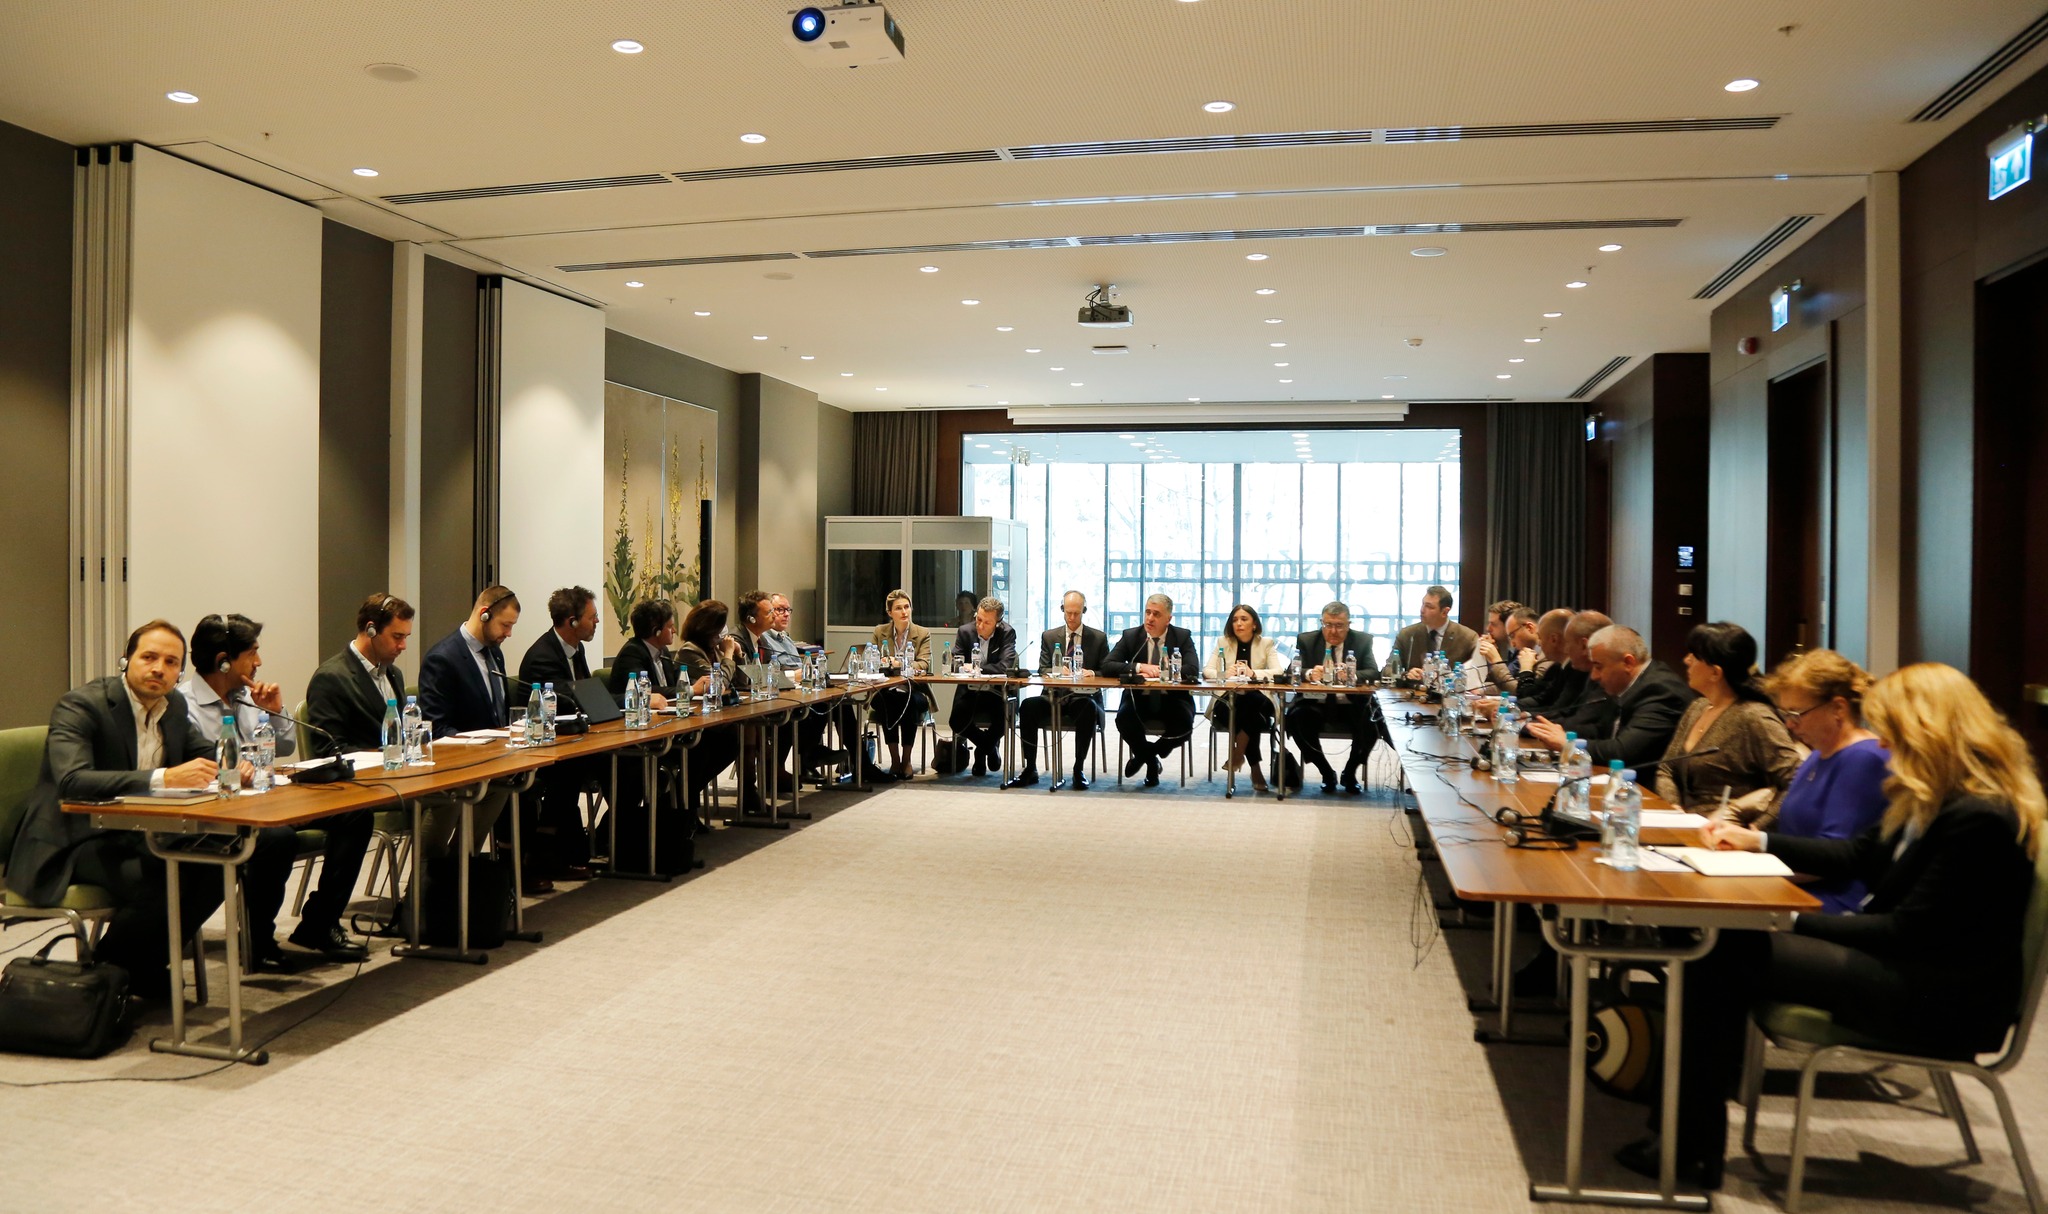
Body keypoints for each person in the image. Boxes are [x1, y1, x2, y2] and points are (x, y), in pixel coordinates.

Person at [1645, 664, 2046, 1190]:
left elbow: (1907, 932)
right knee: (1719, 945)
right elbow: (1857, 854)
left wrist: (1787, 919)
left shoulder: (1981, 817)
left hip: (1941, 997)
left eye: (1892, 732)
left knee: (1721, 951)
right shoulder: (1935, 796)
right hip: (1906, 966)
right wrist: (1758, 841)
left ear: (1929, 732)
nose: (1884, 745)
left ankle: (1688, 1142)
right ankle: (1685, 1134)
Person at [6, 620, 289, 1000]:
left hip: (136, 832)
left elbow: (205, 753)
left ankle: (131, 967)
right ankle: (112, 974)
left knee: (217, 863)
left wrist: (236, 765)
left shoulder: (173, 707)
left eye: (171, 662)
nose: (159, 669)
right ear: (126, 660)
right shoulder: (82, 705)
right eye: (149, 657)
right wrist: (163, 777)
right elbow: (73, 781)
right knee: (161, 874)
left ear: (180, 672)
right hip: (73, 838)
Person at [185, 613, 370, 966]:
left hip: (265, 801)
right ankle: (258, 942)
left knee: (354, 814)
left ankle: (319, 923)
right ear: (223, 661)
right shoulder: (184, 706)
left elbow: (283, 747)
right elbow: (194, 769)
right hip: (218, 813)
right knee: (277, 838)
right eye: (251, 653)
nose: (259, 662)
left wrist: (274, 711)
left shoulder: (246, 696)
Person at [1762, 648, 1892, 914]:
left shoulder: (1864, 759)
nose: (1789, 725)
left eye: (1797, 713)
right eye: (1785, 714)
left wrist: (1752, 873)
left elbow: (1833, 857)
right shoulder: (1817, 755)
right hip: (1795, 885)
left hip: (1833, 899)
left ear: (1838, 708)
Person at [1651, 621, 1801, 824]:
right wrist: (1673, 807)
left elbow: (1797, 781)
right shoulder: (1698, 707)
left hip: (1726, 833)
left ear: (1716, 672)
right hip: (1686, 825)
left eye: (1694, 656)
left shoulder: (1754, 717)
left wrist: (1756, 829)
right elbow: (1666, 769)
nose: (1686, 660)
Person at [414, 585, 518, 866]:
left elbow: (497, 713)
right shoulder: (443, 658)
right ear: (484, 614)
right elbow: (435, 727)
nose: (509, 633)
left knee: (507, 785)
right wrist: (480, 746)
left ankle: (460, 867)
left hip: (490, 764)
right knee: (457, 797)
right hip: (451, 767)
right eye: (505, 625)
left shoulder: (495, 654)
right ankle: (428, 874)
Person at [1524, 624, 1693, 777]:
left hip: (1643, 787)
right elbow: (1599, 729)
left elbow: (1623, 751)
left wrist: (1569, 744)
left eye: (1598, 666)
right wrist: (1554, 732)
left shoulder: (1660, 691)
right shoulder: (1628, 684)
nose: (1594, 676)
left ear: (1628, 662)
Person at [515, 586, 601, 881]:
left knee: (623, 762)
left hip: (568, 739)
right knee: (572, 770)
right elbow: (576, 697)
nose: (597, 622)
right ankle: (548, 846)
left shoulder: (576, 650)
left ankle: (612, 840)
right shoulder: (543, 656)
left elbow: (586, 695)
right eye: (592, 617)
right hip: (539, 749)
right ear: (572, 621)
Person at [1006, 590, 1110, 790]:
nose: (1072, 617)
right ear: (1062, 610)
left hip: (1082, 697)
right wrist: (1056, 670)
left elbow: (1107, 670)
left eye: (1076, 613)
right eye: (1068, 612)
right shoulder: (1049, 636)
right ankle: (1030, 767)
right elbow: (1043, 668)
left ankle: (1078, 769)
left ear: (1084, 611)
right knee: (1027, 706)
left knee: (1087, 708)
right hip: (1053, 697)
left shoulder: (1098, 638)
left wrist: (1092, 673)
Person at [1101, 594, 1201, 787]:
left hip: (1173, 701)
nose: (1150, 618)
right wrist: (1140, 667)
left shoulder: (1182, 636)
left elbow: (1192, 669)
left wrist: (1165, 670)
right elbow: (1107, 665)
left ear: (1168, 619)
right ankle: (1151, 762)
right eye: (1147, 612)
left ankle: (1145, 755)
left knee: (1184, 725)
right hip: (1138, 699)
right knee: (1124, 720)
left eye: (1156, 614)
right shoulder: (1131, 636)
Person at [1282, 601, 1381, 794]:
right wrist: (1309, 673)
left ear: (1348, 625)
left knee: (1373, 720)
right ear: (1322, 623)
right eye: (1328, 625)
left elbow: (1373, 672)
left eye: (1339, 626)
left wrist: (1351, 674)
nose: (1333, 631)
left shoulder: (1362, 641)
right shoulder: (1307, 640)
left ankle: (1350, 772)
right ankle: (1326, 772)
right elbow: (1291, 671)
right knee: (1296, 718)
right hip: (1315, 704)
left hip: (1351, 704)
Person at [1203, 603, 1286, 792]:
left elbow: (1278, 671)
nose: (1238, 623)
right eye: (1235, 620)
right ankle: (1254, 769)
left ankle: (1238, 754)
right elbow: (1207, 671)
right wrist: (1224, 674)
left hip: (1259, 699)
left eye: (1244, 619)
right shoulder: (1223, 642)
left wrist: (1253, 673)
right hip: (1229, 700)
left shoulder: (1266, 643)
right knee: (1249, 715)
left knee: (1250, 704)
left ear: (1254, 624)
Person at [675, 600, 745, 819]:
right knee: (713, 746)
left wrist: (738, 655)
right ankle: (684, 804)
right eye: (720, 626)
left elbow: (744, 682)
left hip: (713, 716)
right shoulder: (690, 651)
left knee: (732, 739)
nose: (724, 632)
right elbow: (718, 684)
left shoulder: (714, 649)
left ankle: (688, 800)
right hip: (691, 721)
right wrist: (728, 656)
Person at [948, 596, 1019, 777]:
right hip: (970, 691)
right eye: (978, 619)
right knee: (956, 720)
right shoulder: (965, 631)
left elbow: (1005, 666)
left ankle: (980, 753)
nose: (980, 625)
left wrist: (976, 668)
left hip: (997, 692)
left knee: (1005, 719)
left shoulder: (1007, 633)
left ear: (998, 623)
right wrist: (963, 667)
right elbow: (956, 663)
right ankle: (988, 747)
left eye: (987, 622)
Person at [866, 590, 933, 780]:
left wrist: (899, 664)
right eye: (898, 608)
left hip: (914, 690)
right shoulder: (880, 632)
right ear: (890, 613)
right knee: (887, 700)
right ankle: (895, 759)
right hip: (885, 690)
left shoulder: (922, 633)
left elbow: (924, 663)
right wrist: (884, 662)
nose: (904, 612)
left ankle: (906, 759)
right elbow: (872, 660)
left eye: (907, 607)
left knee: (908, 702)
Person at [1384, 585, 1479, 680]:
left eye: (1429, 607)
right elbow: (1387, 670)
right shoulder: (1408, 635)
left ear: (1445, 612)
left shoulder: (1467, 638)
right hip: (1415, 688)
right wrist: (1405, 675)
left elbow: (1479, 673)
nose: (1422, 610)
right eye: (1423, 604)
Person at [1513, 608, 1582, 712]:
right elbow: (1541, 699)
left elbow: (1559, 710)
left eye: (1540, 638)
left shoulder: (1578, 670)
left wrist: (1526, 670)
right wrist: (1508, 706)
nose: (1539, 644)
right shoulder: (1557, 667)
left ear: (1554, 639)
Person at [1472, 601, 1545, 695]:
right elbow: (1505, 683)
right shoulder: (1519, 649)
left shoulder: (1545, 656)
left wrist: (1495, 660)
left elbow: (1518, 690)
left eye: (1493, 624)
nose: (1488, 629)